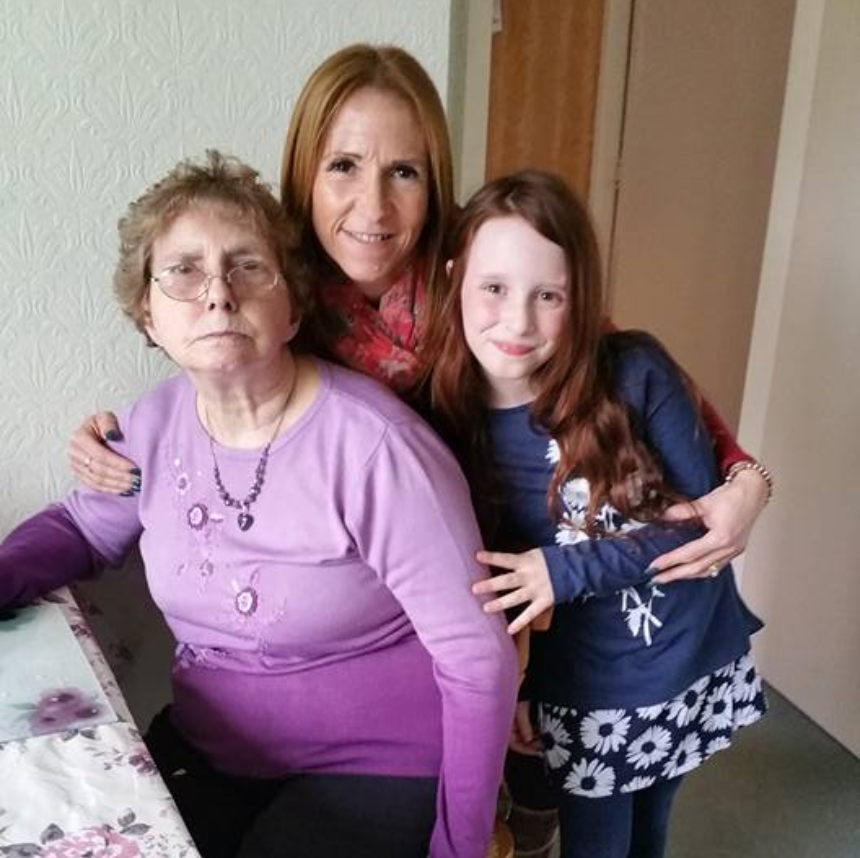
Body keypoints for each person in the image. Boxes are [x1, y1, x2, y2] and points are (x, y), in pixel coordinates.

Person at [66, 44, 771, 592]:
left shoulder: (481, 272)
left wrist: (742, 478)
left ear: (434, 182)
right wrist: (119, 437)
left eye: (403, 172)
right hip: (353, 586)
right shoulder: (274, 294)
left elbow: (612, 357)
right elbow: (210, 370)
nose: (373, 208)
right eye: (343, 165)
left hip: (533, 563)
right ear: (303, 171)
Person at [0, 151, 519, 858]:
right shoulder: (153, 424)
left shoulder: (377, 448)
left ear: (293, 305)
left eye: (248, 266)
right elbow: (81, 530)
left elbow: (476, 659)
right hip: (217, 750)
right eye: (183, 270)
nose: (217, 292)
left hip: (378, 765)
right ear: (146, 313)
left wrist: (457, 849)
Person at [423, 170, 769, 858]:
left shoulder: (635, 370)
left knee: (651, 828)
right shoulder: (448, 420)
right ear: (457, 278)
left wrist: (564, 568)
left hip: (682, 652)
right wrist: (529, 687)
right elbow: (506, 583)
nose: (518, 322)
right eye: (494, 288)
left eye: (548, 295)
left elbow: (699, 523)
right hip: (586, 682)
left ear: (579, 299)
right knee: (596, 842)